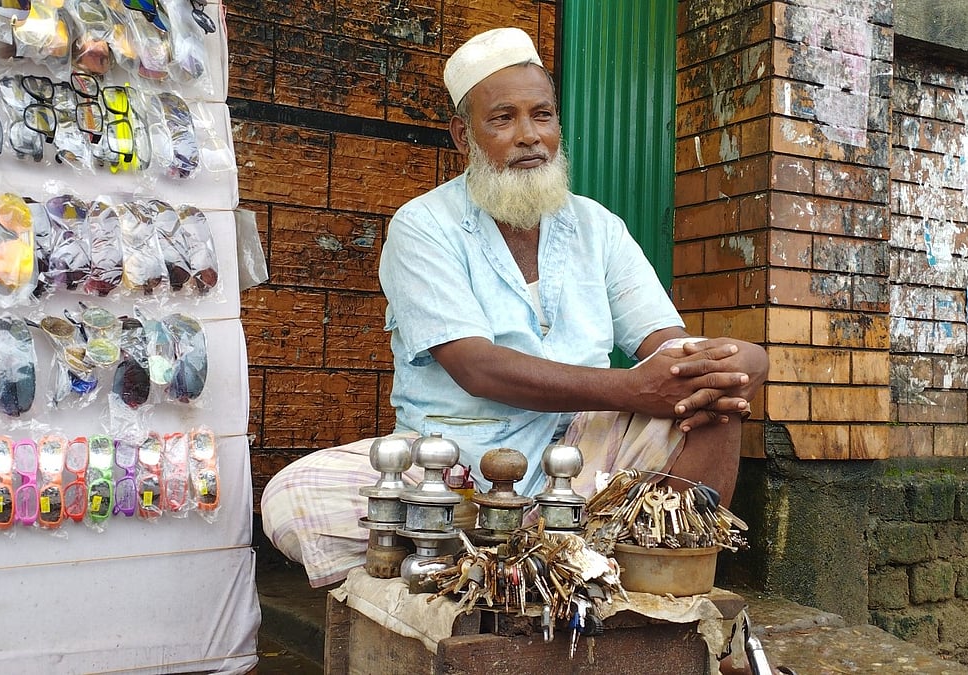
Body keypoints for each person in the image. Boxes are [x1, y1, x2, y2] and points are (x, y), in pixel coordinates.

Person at [260, 26, 768, 592]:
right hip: (458, 469)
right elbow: (476, 366)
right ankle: (571, 558)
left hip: (589, 461)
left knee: (715, 398)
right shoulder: (423, 225)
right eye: (503, 119)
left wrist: (738, 364)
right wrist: (631, 389)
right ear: (463, 135)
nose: (530, 137)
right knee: (292, 498)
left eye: (543, 115)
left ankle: (659, 580)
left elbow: (669, 349)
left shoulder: (598, 226)